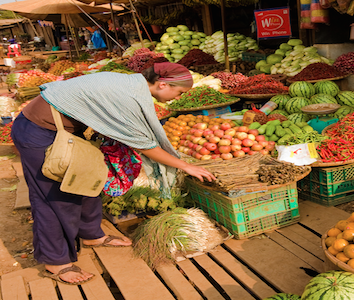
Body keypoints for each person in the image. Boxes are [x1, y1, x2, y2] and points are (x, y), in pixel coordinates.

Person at [11, 62, 214, 285]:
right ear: (163, 84)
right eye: (180, 92)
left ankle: (92, 236)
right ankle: (55, 262)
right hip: (39, 133)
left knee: (90, 181)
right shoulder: (128, 95)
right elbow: (143, 145)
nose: (177, 98)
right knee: (55, 198)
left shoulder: (131, 84)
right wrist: (185, 166)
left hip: (65, 132)